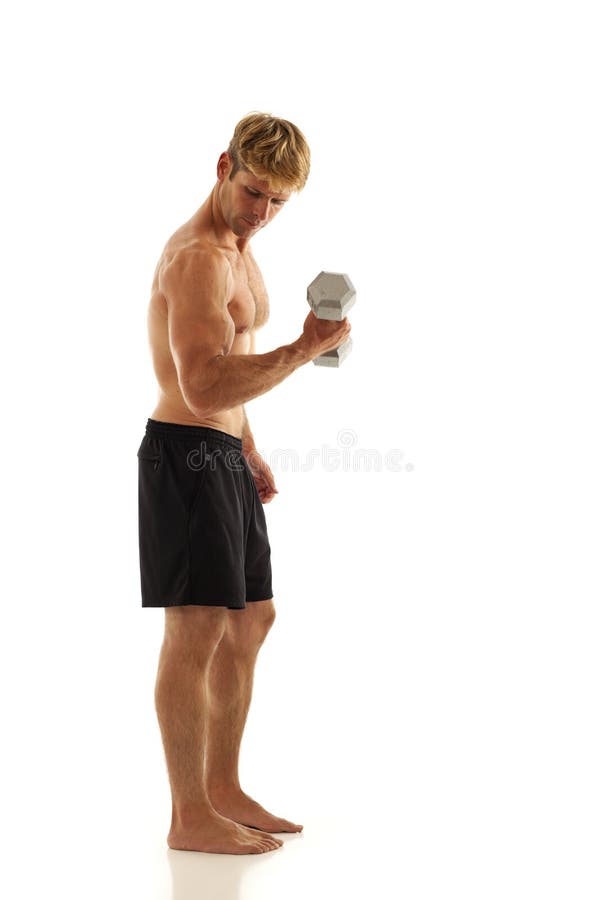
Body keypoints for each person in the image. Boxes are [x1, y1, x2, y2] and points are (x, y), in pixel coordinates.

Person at [137, 112, 351, 855]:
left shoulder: (240, 247)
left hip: (223, 455)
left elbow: (232, 365)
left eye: (278, 202)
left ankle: (222, 787)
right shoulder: (198, 258)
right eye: (255, 191)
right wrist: (302, 349)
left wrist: (249, 446)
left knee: (251, 618)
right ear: (224, 164)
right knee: (194, 628)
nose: (262, 212)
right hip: (185, 456)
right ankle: (188, 815)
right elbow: (199, 385)